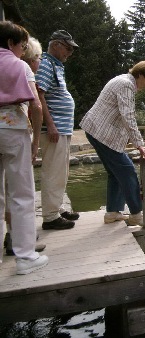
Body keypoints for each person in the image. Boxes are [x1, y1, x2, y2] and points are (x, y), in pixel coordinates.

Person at [80, 61, 145, 226]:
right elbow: (128, 116)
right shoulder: (126, 85)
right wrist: (140, 145)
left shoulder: (122, 80)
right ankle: (137, 214)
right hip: (101, 132)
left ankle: (113, 212)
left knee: (115, 173)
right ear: (141, 75)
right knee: (127, 170)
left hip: (97, 130)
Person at [0, 21, 49, 274]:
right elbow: (36, 106)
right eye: (22, 46)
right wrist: (35, 144)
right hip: (13, 129)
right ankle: (25, 257)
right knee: (21, 194)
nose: (23, 51)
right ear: (11, 43)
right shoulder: (19, 65)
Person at [35, 30, 79, 230]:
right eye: (67, 48)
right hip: (54, 128)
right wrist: (50, 124)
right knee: (53, 171)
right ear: (56, 45)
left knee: (61, 171)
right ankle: (50, 216)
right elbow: (38, 93)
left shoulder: (56, 65)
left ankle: (58, 207)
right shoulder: (46, 64)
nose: (69, 52)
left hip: (62, 128)